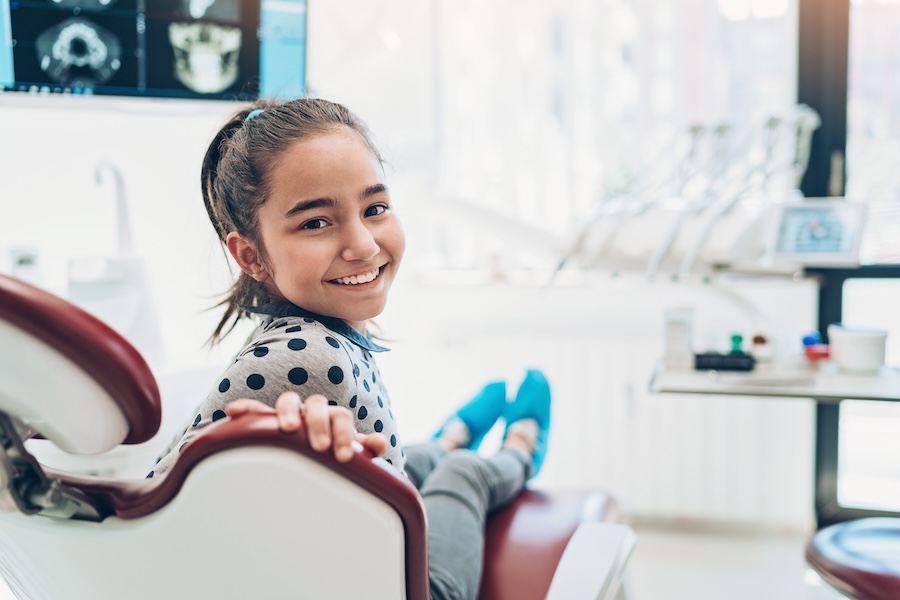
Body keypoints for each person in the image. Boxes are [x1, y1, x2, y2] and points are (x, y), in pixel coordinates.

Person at [149, 97, 552, 600]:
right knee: (466, 476)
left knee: (405, 463)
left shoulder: (305, 334)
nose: (362, 245)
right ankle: (521, 448)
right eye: (316, 222)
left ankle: (449, 439)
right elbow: (157, 518)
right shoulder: (309, 360)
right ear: (251, 255)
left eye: (375, 208)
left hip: (351, 543)